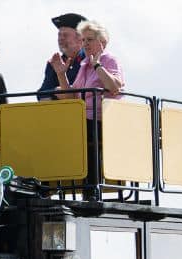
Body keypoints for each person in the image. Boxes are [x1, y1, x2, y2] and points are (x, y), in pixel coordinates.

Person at [50, 19, 124, 194]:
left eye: (89, 39)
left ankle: (91, 190)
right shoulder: (84, 65)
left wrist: (98, 65)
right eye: (83, 40)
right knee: (52, 130)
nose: (85, 44)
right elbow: (71, 96)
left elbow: (114, 86)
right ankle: (50, 185)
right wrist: (61, 74)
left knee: (85, 133)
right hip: (84, 118)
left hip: (104, 119)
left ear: (102, 42)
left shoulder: (109, 60)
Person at [37, 13, 86, 101]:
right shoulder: (53, 63)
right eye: (59, 35)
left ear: (80, 38)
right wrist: (57, 91)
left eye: (65, 35)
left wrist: (64, 92)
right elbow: (42, 94)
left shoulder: (89, 60)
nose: (61, 38)